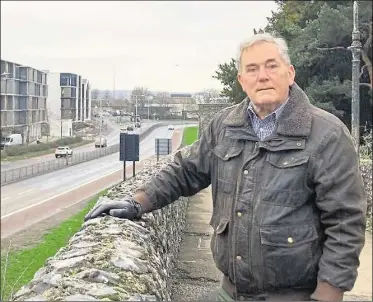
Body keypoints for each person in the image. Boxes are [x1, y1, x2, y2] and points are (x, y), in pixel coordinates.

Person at [84, 33, 367, 301]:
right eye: (253, 69)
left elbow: (345, 221)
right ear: (242, 80)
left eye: (272, 66)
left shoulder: (327, 134)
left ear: (290, 74)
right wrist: (136, 203)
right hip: (230, 291)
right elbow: (186, 170)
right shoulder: (225, 125)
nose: (263, 76)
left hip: (295, 295)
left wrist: (329, 294)